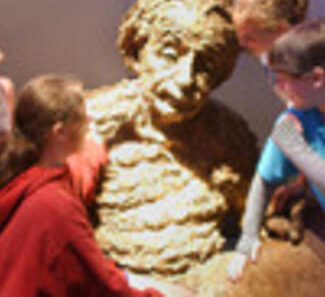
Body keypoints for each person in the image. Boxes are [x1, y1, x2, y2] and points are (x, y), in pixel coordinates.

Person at [0, 74, 194, 297]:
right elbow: (106, 288)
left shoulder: (24, 174)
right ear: (59, 132)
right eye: (81, 116)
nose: (90, 119)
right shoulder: (55, 205)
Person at [228, 18, 325, 281]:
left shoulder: (293, 132)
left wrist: (296, 149)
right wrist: (247, 239)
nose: (278, 88)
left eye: (284, 80)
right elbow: (265, 179)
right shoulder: (299, 116)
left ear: (317, 78)